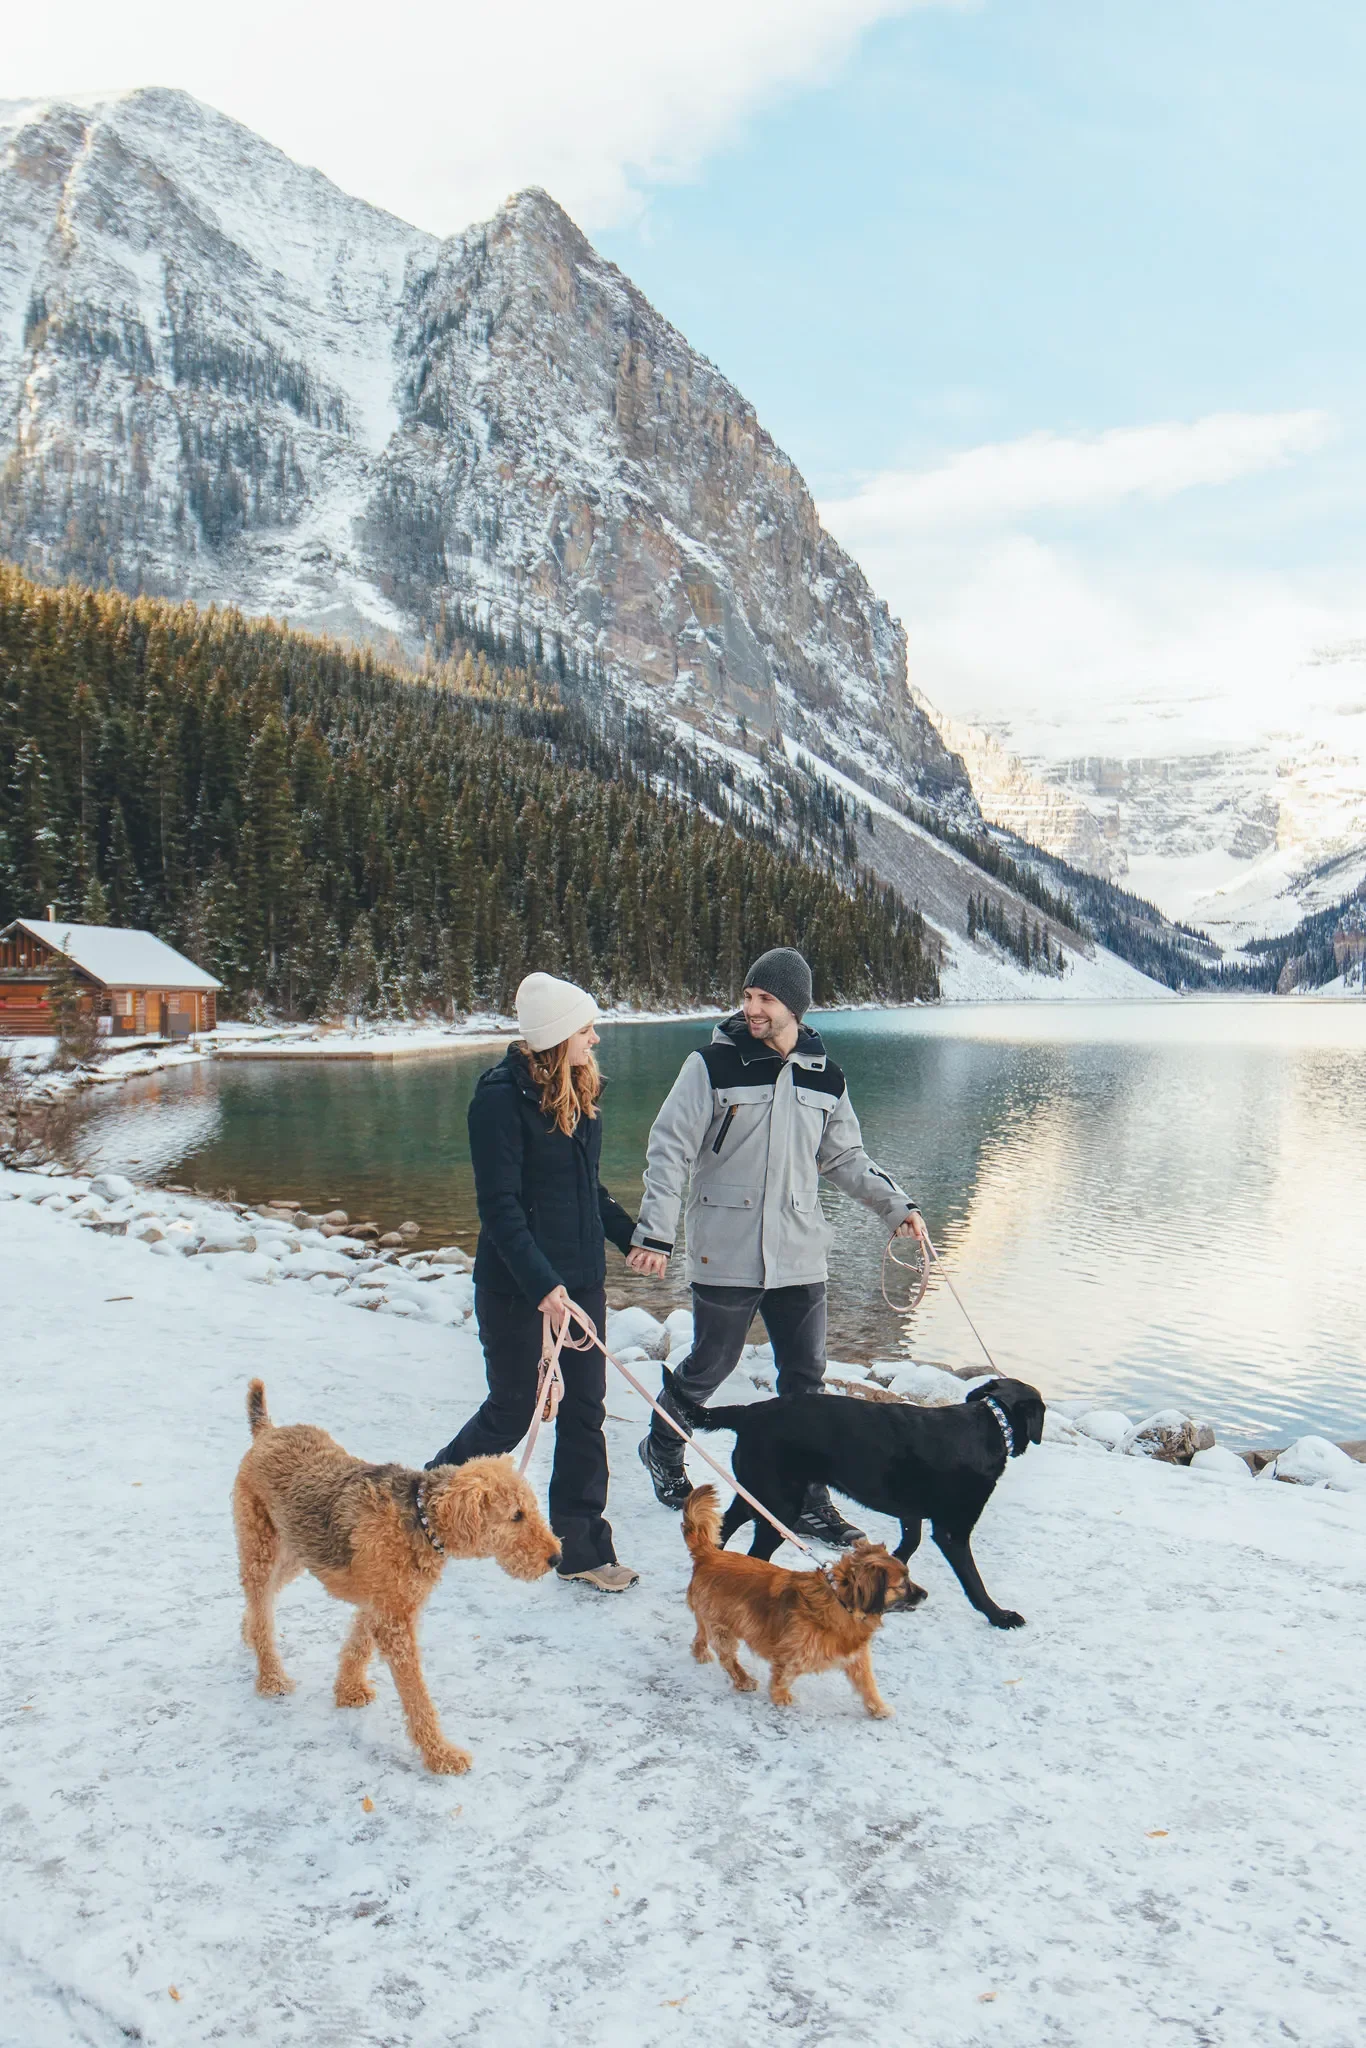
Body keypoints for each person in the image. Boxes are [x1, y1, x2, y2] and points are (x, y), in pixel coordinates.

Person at [627, 946, 927, 1546]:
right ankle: (662, 1445)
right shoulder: (711, 1063)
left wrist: (899, 1208)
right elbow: (670, 1147)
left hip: (799, 1252)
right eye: (748, 996)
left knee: (806, 1383)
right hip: (727, 1248)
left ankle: (810, 1500)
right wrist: (655, 1232)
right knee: (711, 1365)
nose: (752, 1007)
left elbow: (844, 1157)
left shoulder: (826, 1076)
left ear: (794, 1007)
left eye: (765, 998)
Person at [426, 972, 640, 1593]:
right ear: (555, 1036)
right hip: (519, 1291)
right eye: (586, 1029)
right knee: (511, 1413)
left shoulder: (581, 1093)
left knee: (584, 1414)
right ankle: (422, 1503)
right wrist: (544, 1284)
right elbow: (501, 1209)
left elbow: (586, 1192)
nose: (595, 1039)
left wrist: (631, 1240)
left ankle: (580, 1550)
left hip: (581, 1289)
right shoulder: (496, 1100)